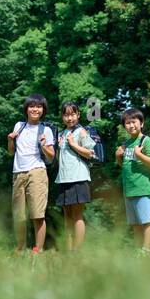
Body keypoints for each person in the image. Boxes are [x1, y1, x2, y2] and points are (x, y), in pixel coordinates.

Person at [8, 94, 55, 254]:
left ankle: (38, 249)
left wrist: (43, 145)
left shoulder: (46, 130)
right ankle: (20, 248)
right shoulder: (19, 126)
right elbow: (11, 152)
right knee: (18, 215)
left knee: (37, 213)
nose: (35, 109)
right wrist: (10, 140)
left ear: (43, 110)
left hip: (37, 172)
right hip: (18, 172)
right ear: (26, 109)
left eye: (39, 106)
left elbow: (51, 156)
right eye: (32, 106)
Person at [115, 108, 150, 254]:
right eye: (127, 123)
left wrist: (139, 155)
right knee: (135, 224)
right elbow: (125, 165)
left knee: (147, 222)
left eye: (134, 122)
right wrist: (118, 157)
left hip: (143, 188)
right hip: (129, 189)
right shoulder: (126, 143)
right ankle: (138, 250)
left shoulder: (146, 141)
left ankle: (146, 251)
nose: (131, 125)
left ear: (141, 123)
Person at [54, 100, 96, 251]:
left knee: (77, 215)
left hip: (78, 177)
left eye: (72, 114)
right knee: (67, 215)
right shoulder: (62, 133)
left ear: (78, 115)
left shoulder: (81, 131)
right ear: (62, 117)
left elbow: (90, 153)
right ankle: (69, 249)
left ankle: (77, 250)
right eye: (66, 115)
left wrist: (73, 144)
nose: (69, 118)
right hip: (63, 178)